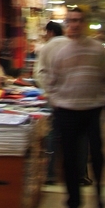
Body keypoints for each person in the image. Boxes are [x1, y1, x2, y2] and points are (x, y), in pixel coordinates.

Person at [39, 6, 105, 208]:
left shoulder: (98, 50)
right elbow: (49, 78)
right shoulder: (59, 51)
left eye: (79, 20)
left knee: (98, 156)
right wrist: (55, 98)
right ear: (66, 24)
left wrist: (104, 100)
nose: (75, 24)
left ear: (85, 24)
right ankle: (74, 202)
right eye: (71, 20)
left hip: (92, 110)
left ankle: (100, 196)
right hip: (67, 111)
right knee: (70, 159)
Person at [33, 20, 64, 184]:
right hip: (69, 100)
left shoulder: (47, 48)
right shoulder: (70, 46)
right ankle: (70, 173)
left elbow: (39, 75)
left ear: (50, 32)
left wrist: (48, 91)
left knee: (51, 133)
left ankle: (51, 173)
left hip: (52, 98)